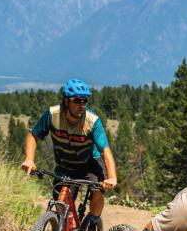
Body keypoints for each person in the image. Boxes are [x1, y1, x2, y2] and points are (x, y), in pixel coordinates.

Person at [20, 78, 117, 223]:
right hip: (66, 165)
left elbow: (105, 151)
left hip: (91, 162)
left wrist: (112, 177)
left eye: (85, 101)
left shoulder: (92, 121)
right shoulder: (53, 115)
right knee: (61, 203)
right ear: (66, 101)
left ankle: (93, 222)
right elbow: (33, 135)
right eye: (77, 100)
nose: (82, 105)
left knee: (97, 190)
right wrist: (29, 159)